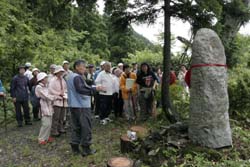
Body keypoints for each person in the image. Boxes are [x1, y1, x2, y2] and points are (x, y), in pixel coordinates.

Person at [67, 59, 104, 156]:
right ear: (76, 67)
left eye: (85, 66)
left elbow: (80, 87)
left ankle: (75, 147)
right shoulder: (77, 77)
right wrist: (95, 89)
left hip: (73, 105)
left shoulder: (70, 76)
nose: (84, 68)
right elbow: (81, 89)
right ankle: (86, 149)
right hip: (82, 106)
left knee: (76, 126)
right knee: (86, 127)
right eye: (82, 66)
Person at [35, 72, 62, 145]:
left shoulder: (45, 86)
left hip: (49, 106)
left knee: (49, 123)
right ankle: (41, 139)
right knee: (45, 124)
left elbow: (50, 94)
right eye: (45, 78)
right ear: (41, 79)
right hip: (43, 106)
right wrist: (56, 97)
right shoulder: (39, 87)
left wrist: (55, 97)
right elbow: (46, 96)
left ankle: (46, 137)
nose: (47, 79)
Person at [48, 66, 68, 137]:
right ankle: (54, 130)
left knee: (62, 116)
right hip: (56, 100)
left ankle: (61, 128)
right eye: (60, 72)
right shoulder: (53, 80)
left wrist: (64, 93)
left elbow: (65, 88)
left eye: (62, 72)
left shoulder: (63, 80)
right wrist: (59, 94)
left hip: (63, 99)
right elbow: (50, 90)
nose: (61, 73)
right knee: (56, 117)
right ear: (56, 72)